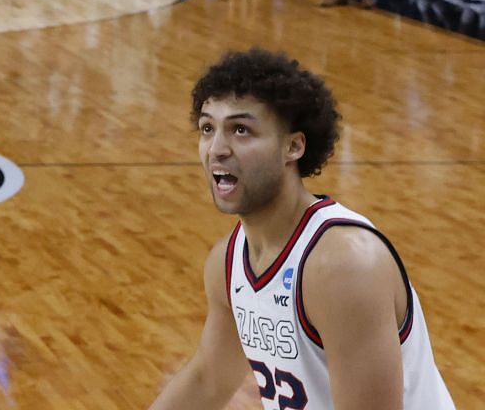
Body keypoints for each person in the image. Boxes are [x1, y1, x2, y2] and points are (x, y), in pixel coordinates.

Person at [146, 49, 455, 409]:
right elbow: (208, 379)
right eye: (207, 128)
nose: (216, 149)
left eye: (240, 130)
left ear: (293, 146)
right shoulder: (227, 263)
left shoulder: (343, 266)